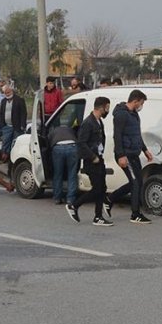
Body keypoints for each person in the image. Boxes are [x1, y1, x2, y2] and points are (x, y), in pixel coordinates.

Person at [66, 96, 113, 226]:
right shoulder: (88, 123)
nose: (108, 110)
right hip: (92, 161)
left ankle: (98, 217)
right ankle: (74, 206)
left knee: (102, 188)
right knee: (97, 189)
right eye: (107, 107)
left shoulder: (98, 122)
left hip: (99, 159)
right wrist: (93, 157)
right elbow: (81, 143)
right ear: (101, 107)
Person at [110, 89, 154, 224]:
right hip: (125, 154)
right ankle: (135, 214)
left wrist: (145, 149)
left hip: (134, 153)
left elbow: (136, 134)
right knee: (135, 183)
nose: (142, 106)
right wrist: (121, 155)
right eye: (141, 103)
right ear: (135, 101)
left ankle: (110, 199)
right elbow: (117, 136)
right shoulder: (121, 115)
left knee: (138, 182)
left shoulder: (134, 115)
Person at [48, 123, 78, 205]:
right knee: (72, 173)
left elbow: (48, 142)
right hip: (72, 147)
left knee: (58, 173)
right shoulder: (70, 130)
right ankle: (70, 199)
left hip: (58, 148)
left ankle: (57, 198)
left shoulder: (54, 131)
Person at [0, 84, 27, 156]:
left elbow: (23, 113)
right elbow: (1, 113)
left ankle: (14, 157)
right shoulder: (3, 101)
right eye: (5, 93)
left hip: (17, 126)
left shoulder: (19, 100)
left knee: (16, 143)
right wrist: (2, 124)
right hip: (6, 126)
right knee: (5, 142)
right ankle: (5, 156)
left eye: (8, 92)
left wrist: (23, 125)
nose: (7, 94)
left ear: (11, 91)